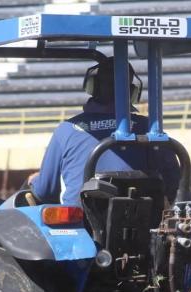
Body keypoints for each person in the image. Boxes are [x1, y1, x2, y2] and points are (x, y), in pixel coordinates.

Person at [31, 57, 181, 206]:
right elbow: (173, 183)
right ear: (132, 92)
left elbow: (44, 192)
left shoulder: (66, 130)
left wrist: (33, 181)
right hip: (142, 218)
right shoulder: (150, 129)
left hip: (80, 219)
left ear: (93, 86)